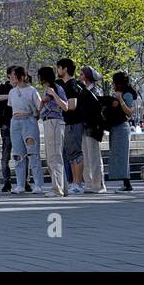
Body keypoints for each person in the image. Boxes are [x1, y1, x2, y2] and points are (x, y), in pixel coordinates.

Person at [0, 73, 27, 193]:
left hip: (21, 125)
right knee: (6, 155)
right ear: (9, 76)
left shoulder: (23, 88)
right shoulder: (3, 89)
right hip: (7, 126)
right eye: (14, 76)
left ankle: (25, 181)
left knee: (23, 154)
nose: (16, 79)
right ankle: (7, 182)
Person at [5, 66, 42, 195]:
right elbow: (11, 106)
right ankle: (20, 184)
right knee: (18, 154)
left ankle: (38, 184)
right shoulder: (12, 92)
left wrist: (35, 116)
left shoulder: (32, 90)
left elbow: (39, 107)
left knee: (33, 154)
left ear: (21, 76)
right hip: (15, 122)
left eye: (14, 75)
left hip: (29, 121)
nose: (11, 77)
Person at [37, 66, 70, 197]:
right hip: (48, 121)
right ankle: (62, 187)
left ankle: (57, 189)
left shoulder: (56, 89)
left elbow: (65, 106)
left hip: (54, 122)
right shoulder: (46, 90)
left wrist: (53, 94)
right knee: (53, 156)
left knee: (54, 156)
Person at [55, 59, 85, 194]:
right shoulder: (65, 85)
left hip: (74, 122)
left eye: (59, 68)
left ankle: (78, 183)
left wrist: (56, 97)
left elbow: (72, 106)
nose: (57, 70)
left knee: (76, 153)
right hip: (69, 123)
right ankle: (74, 182)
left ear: (65, 69)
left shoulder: (72, 85)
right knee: (71, 154)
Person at [107, 73, 136, 191]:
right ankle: (125, 182)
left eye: (114, 82)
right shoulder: (119, 94)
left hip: (122, 128)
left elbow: (129, 112)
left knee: (122, 156)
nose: (112, 85)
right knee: (118, 155)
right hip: (115, 127)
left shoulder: (127, 94)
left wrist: (120, 100)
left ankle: (127, 183)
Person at [79, 67, 106, 193]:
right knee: (86, 156)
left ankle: (98, 184)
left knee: (94, 156)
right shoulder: (83, 90)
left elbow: (98, 108)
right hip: (84, 126)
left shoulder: (96, 90)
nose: (80, 75)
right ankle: (89, 182)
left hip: (93, 126)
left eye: (82, 74)